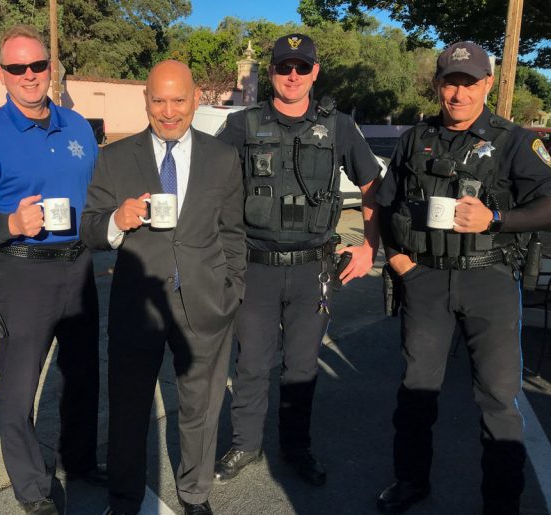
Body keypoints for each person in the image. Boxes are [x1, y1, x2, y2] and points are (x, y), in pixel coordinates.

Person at [375, 41, 551, 515]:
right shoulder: (415, 138)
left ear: (487, 84)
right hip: (425, 279)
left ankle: (502, 502)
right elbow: (387, 203)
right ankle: (410, 480)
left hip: (488, 280)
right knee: (416, 391)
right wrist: (397, 260)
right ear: (437, 84)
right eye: (450, 83)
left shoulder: (513, 141)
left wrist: (496, 218)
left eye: (469, 83)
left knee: (497, 398)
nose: (458, 94)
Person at [0, 25, 103, 515]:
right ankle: (33, 491)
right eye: (17, 67)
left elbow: (98, 191)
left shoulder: (77, 127)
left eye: (37, 64)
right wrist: (11, 224)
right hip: (21, 274)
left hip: (78, 266)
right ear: (1, 74)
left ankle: (79, 462)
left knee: (82, 376)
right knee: (19, 392)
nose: (29, 75)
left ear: (50, 67)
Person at [212, 33, 381, 486]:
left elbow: (372, 186)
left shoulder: (339, 126)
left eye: (301, 67)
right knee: (251, 365)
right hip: (256, 268)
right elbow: (208, 183)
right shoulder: (242, 125)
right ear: (271, 71)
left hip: (313, 270)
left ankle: (296, 447)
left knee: (302, 367)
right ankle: (246, 444)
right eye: (284, 67)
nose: (292, 75)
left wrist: (369, 246)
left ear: (315, 72)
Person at [81, 60, 246, 515]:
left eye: (178, 99)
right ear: (146, 100)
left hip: (207, 303)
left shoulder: (222, 158)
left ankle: (194, 493)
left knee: (201, 408)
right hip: (139, 306)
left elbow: (233, 233)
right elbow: (90, 228)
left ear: (196, 99)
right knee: (129, 411)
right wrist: (117, 220)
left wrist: (233, 289)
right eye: (159, 100)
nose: (169, 111)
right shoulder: (115, 158)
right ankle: (124, 499)